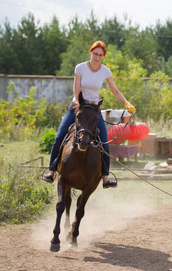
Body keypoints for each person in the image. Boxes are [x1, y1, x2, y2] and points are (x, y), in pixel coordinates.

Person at [42, 41, 135, 188]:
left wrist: (126, 103)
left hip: (94, 110)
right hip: (77, 106)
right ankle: (51, 172)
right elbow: (76, 89)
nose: (97, 57)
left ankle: (105, 179)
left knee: (104, 141)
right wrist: (80, 105)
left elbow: (115, 91)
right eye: (95, 54)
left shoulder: (105, 71)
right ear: (90, 52)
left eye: (100, 55)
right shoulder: (80, 68)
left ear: (103, 56)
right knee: (59, 136)